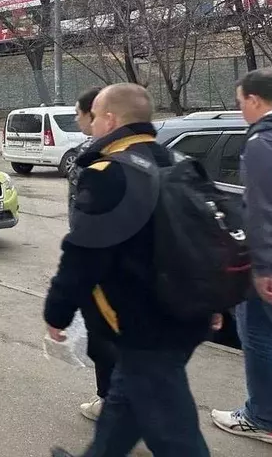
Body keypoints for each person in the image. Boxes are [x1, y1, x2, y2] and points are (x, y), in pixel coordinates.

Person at [46, 84, 213, 457]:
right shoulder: (179, 161)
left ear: (110, 119)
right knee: (124, 404)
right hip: (187, 310)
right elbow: (205, 239)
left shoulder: (110, 173)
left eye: (94, 117)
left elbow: (83, 254)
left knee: (175, 434)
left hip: (146, 323)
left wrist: (57, 311)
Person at [211, 67, 272, 445]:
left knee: (258, 332)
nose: (241, 113)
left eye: (241, 104)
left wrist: (266, 267)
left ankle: (265, 418)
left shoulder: (263, 141)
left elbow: (265, 207)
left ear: (254, 99)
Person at [65, 86, 118, 423]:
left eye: (80, 114)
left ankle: (109, 401)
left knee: (104, 336)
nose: (77, 119)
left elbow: (82, 217)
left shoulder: (86, 156)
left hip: (101, 263)